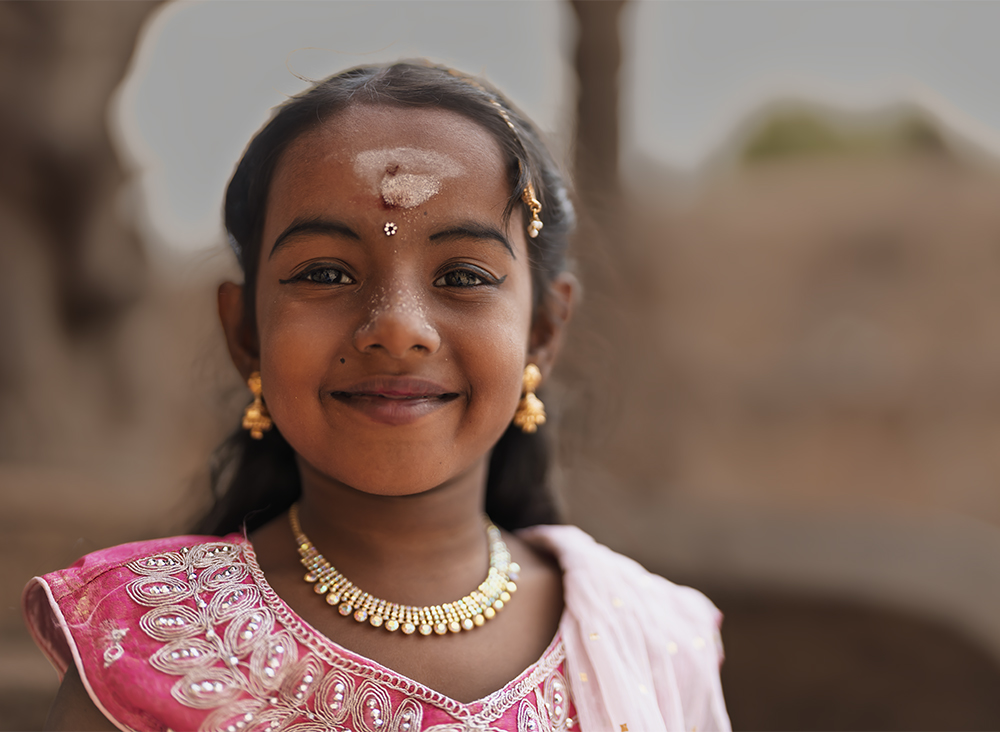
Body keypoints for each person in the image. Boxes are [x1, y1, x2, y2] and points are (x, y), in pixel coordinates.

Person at [23, 62, 730, 731]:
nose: (396, 327)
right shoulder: (140, 640)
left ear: (543, 331)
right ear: (245, 332)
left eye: (461, 276)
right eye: (327, 273)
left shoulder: (654, 637)